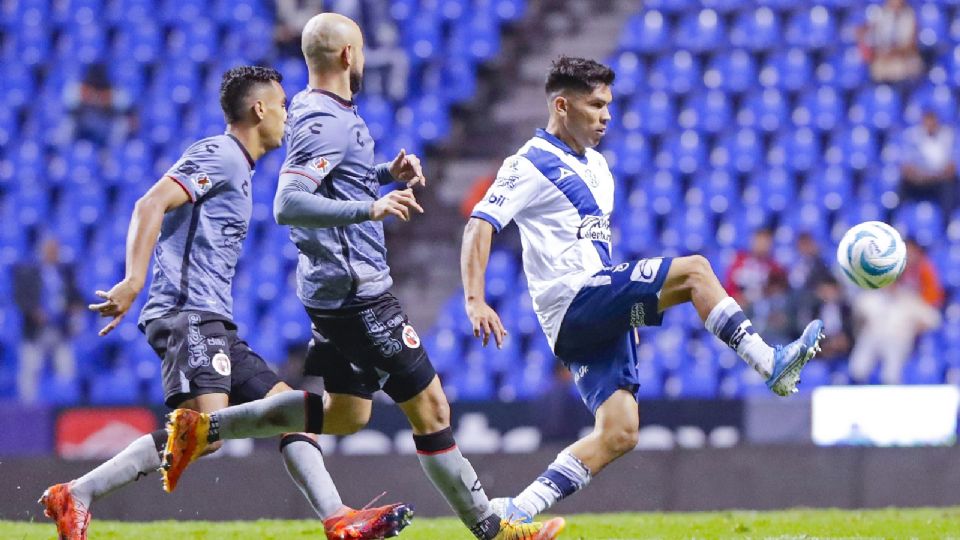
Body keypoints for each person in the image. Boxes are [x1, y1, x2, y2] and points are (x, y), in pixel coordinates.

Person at [160, 14, 564, 540]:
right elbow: (287, 202)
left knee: (347, 415)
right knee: (432, 406)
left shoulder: (311, 109)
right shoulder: (325, 118)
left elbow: (329, 180)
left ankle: (204, 428)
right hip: (358, 295)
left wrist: (380, 175)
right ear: (349, 55)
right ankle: (494, 528)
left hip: (334, 290)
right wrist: (370, 209)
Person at [38, 66, 410, 540]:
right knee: (207, 430)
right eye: (282, 106)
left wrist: (382, 175)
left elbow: (310, 185)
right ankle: (79, 493)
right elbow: (149, 204)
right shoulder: (220, 154)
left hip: (215, 320)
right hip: (188, 312)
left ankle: (337, 519)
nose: (288, 117)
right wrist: (133, 280)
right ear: (259, 109)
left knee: (287, 411)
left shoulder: (240, 164)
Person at [459, 56, 825, 522]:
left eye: (609, 104)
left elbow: (596, 251)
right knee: (695, 271)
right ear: (562, 105)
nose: (606, 115)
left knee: (620, 431)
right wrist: (474, 298)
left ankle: (514, 511)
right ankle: (767, 361)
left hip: (595, 308)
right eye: (595, 105)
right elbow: (479, 224)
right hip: (573, 301)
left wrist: (628, 316)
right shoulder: (529, 163)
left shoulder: (598, 168)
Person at [848, 238, 943, 384]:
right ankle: (856, 383)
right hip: (874, 336)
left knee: (891, 367)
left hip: (898, 339)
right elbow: (856, 310)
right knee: (861, 358)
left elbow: (934, 319)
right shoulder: (872, 297)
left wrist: (917, 326)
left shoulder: (909, 299)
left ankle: (890, 387)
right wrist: (861, 321)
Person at [13, 236, 83, 404]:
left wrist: (75, 306)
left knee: (67, 369)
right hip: (35, 331)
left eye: (55, 250)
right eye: (49, 250)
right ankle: (28, 408)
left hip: (60, 330)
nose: (52, 254)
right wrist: (33, 312)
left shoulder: (65, 273)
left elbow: (76, 296)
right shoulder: (29, 273)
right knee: (31, 370)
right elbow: (21, 298)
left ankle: (65, 405)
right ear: (42, 251)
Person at [900, 110, 957, 216]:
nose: (930, 126)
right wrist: (920, 176)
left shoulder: (949, 137)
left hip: (939, 180)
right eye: (927, 122)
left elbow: (951, 168)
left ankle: (947, 222)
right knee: (902, 186)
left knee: (950, 188)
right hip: (918, 180)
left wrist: (934, 176)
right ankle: (901, 221)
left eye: (933, 122)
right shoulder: (912, 136)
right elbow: (906, 167)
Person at [858, 0, 924, 83]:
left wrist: (894, 52)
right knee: (876, 68)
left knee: (911, 66)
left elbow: (912, 44)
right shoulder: (879, 14)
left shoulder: (911, 15)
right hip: (882, 56)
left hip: (903, 56)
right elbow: (869, 37)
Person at [724, 227, 786, 310]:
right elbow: (729, 286)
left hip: (764, 309)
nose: (762, 245)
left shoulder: (774, 267)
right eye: (759, 241)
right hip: (739, 307)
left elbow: (779, 290)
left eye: (765, 242)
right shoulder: (739, 261)